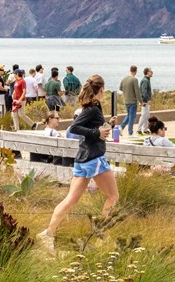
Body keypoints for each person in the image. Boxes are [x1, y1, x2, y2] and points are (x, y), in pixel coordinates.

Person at [37, 74, 118, 251]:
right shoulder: (93, 108)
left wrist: (107, 125)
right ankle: (100, 237)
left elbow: (92, 127)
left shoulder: (92, 107)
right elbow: (75, 127)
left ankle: (48, 234)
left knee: (71, 199)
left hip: (83, 159)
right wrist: (97, 134)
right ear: (102, 90)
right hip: (94, 158)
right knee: (113, 197)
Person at [119, 66, 142, 137]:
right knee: (132, 116)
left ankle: (121, 127)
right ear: (136, 71)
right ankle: (130, 132)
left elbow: (120, 88)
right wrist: (141, 101)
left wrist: (127, 92)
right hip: (132, 101)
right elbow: (137, 91)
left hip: (126, 100)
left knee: (129, 115)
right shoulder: (134, 79)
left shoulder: (124, 79)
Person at [138, 68, 155, 133]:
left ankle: (145, 129)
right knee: (144, 115)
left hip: (146, 101)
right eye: (151, 71)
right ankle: (139, 129)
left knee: (147, 115)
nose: (152, 72)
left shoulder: (147, 80)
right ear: (147, 72)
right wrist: (148, 99)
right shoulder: (145, 80)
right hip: (144, 101)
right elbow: (144, 91)